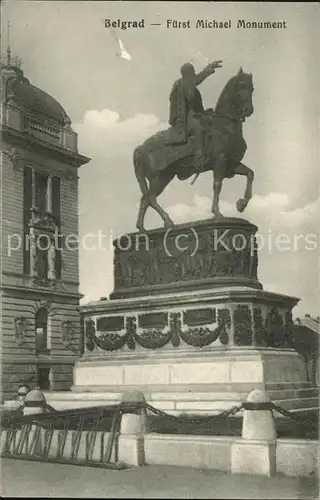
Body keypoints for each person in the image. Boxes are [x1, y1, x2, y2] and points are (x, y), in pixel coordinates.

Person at [168, 60, 223, 171]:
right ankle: (199, 158)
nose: (193, 74)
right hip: (184, 118)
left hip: (194, 115)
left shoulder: (191, 87)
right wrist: (209, 68)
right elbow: (198, 79)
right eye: (192, 72)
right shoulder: (181, 84)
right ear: (186, 74)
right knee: (199, 128)